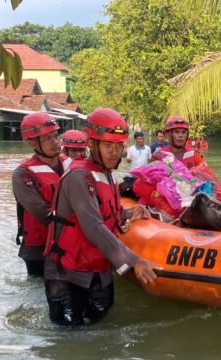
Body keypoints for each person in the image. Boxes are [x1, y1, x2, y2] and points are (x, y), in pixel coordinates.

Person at [43, 107, 161, 326]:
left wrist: (127, 213)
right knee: (69, 335)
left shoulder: (109, 176)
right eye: (107, 145)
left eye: (118, 145)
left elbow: (107, 214)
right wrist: (135, 260)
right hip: (68, 272)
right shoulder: (79, 176)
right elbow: (93, 225)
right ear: (91, 143)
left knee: (101, 322)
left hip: (98, 268)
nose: (114, 152)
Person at [12, 112, 64, 276]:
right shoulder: (22, 174)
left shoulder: (71, 164)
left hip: (68, 243)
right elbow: (43, 213)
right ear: (33, 143)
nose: (55, 142)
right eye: (48, 139)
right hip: (39, 250)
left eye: (56, 136)